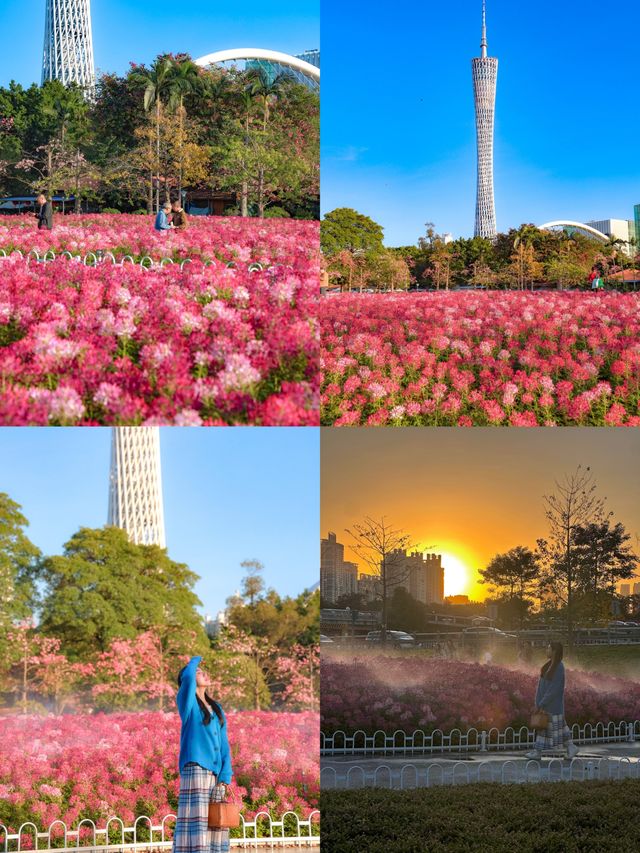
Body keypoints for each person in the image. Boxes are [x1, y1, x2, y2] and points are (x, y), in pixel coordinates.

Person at [172, 656, 233, 853]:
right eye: (199, 672)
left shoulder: (217, 709)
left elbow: (224, 744)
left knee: (215, 822)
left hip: (215, 774)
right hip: (196, 770)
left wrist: (225, 776)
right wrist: (194, 661)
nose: (202, 673)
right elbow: (188, 676)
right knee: (198, 825)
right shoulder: (187, 705)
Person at [525, 641, 579, 760]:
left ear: (554, 651)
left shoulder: (559, 667)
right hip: (546, 705)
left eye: (548, 648)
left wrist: (542, 703)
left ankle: (537, 752)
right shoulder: (549, 665)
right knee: (558, 729)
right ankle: (571, 747)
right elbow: (543, 687)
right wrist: (538, 702)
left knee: (543, 729)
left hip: (552, 706)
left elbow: (554, 689)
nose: (546, 650)